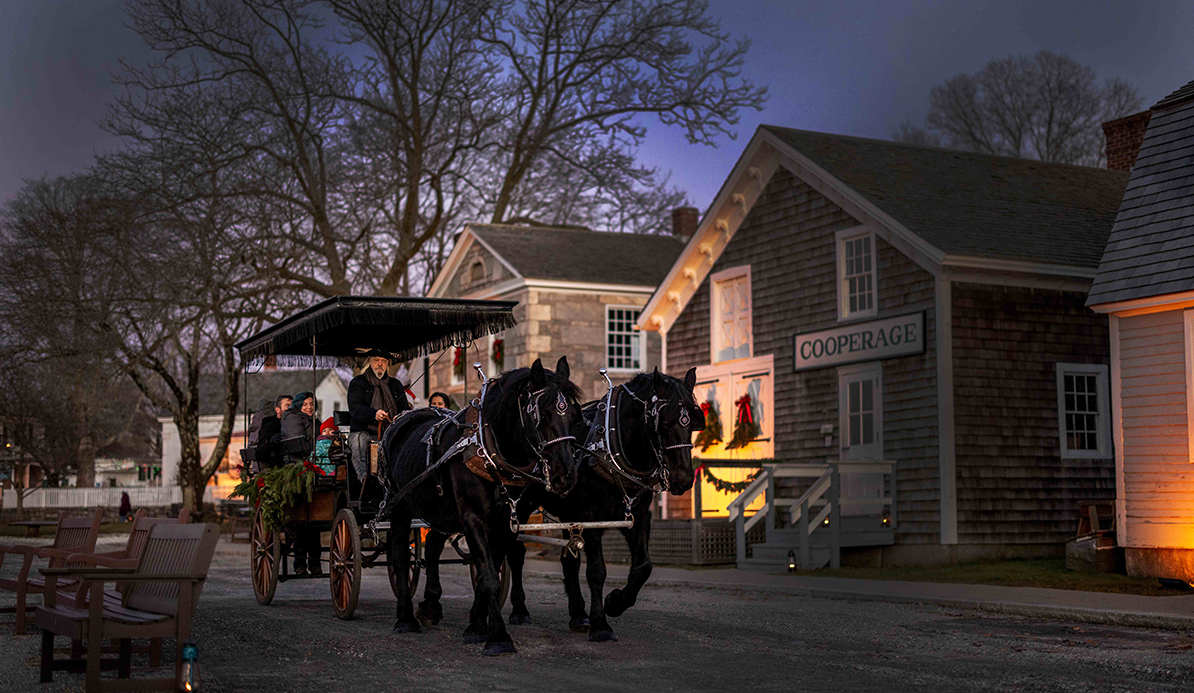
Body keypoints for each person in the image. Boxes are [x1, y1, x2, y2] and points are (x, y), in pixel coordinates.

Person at [347, 349, 410, 479]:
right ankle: (365, 479)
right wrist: (373, 414)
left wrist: (400, 417)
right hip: (365, 431)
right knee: (358, 440)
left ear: (387, 364)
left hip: (391, 431)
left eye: (384, 361)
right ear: (370, 362)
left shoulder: (396, 384)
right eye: (376, 360)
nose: (380, 364)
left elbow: (405, 409)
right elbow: (354, 408)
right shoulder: (358, 382)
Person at [281, 391, 321, 575]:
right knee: (303, 521)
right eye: (305, 404)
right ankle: (300, 564)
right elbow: (296, 442)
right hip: (298, 468)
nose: (309, 407)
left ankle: (315, 564)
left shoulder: (315, 421)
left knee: (315, 522)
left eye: (311, 403)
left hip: (315, 467)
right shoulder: (293, 418)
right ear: (298, 405)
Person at [254, 395, 291, 472]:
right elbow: (260, 452)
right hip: (275, 469)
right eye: (287, 405)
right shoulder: (270, 425)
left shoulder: (295, 423)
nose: (291, 408)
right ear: (277, 410)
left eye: (292, 405)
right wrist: (270, 441)